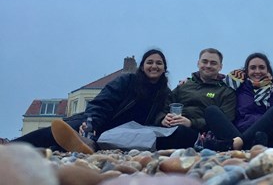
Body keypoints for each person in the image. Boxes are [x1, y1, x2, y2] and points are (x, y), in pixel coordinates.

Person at [11, 49, 171, 153]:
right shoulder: (126, 81)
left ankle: (84, 146)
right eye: (149, 62)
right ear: (142, 67)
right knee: (59, 132)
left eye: (159, 63)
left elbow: (163, 116)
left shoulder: (165, 93)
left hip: (125, 135)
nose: (154, 66)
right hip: (101, 123)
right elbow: (102, 102)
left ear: (164, 68)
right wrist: (91, 122)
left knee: (61, 146)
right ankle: (11, 147)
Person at [202, 52, 273, 150]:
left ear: (268, 70)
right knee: (211, 110)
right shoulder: (237, 84)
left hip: (266, 136)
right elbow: (213, 81)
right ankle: (244, 144)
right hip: (236, 133)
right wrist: (190, 79)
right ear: (247, 71)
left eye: (261, 67)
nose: (257, 71)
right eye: (253, 68)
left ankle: (236, 145)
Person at [159, 48, 237, 149]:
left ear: (220, 67)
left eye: (213, 63)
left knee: (179, 132)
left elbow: (226, 120)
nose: (208, 66)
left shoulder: (226, 91)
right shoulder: (184, 86)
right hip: (172, 126)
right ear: (198, 63)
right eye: (204, 62)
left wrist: (191, 122)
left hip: (201, 133)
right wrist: (162, 119)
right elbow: (164, 106)